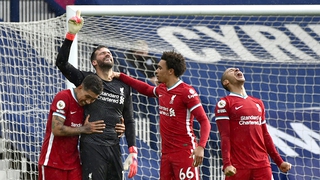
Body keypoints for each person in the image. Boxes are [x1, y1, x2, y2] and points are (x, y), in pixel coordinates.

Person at [55, 11, 137, 180]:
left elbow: (128, 119)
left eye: (109, 53)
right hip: (92, 148)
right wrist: (71, 34)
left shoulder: (123, 85)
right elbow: (61, 63)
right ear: (94, 62)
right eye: (102, 53)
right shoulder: (86, 80)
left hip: (115, 147)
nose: (107, 54)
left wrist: (132, 151)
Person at [113, 50, 211, 180]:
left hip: (185, 151)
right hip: (165, 153)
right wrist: (121, 76)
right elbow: (146, 89)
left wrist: (201, 147)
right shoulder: (162, 89)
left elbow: (204, 121)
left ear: (170, 71)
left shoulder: (187, 92)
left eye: (160, 68)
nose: (156, 71)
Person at [214, 67, 292, 179]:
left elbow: (265, 135)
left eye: (237, 69)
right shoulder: (224, 103)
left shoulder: (258, 103)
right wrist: (227, 164)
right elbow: (225, 136)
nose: (236, 69)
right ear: (226, 82)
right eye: (231, 71)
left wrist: (279, 162)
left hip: (262, 165)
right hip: (238, 166)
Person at [38, 74, 105, 180]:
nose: (88, 101)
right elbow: (57, 129)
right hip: (52, 162)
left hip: (73, 164)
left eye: (93, 99)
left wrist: (120, 125)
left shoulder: (86, 106)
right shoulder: (64, 97)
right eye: (87, 97)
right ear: (80, 87)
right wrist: (84, 129)